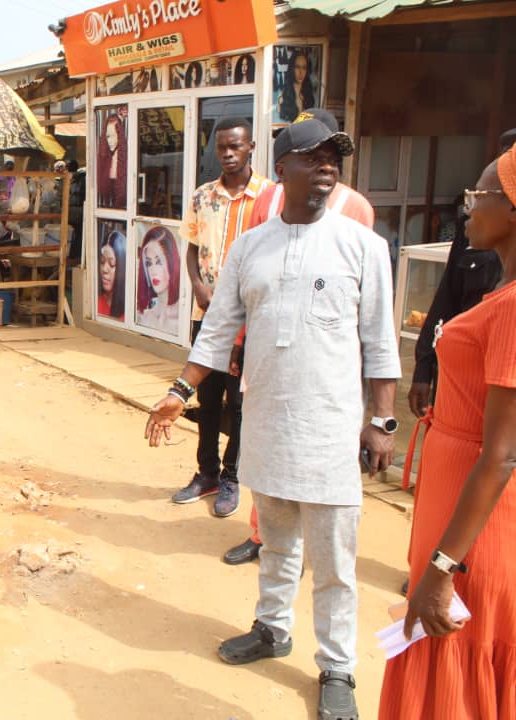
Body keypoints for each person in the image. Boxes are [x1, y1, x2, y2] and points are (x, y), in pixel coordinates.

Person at [145, 118, 401, 720]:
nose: (328, 168)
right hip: (267, 421)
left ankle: (337, 667)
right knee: (277, 543)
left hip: (332, 429)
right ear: (282, 169)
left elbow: (381, 343)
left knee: (335, 561)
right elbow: (217, 329)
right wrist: (181, 390)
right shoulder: (249, 246)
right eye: (313, 158)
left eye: (334, 157)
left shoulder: (362, 246)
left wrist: (382, 421)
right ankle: (272, 629)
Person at [377, 145, 516, 720]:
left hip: (475, 523)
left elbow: (503, 455)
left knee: (453, 643)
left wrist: (442, 568)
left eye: (479, 195)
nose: (468, 209)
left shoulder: (513, 309)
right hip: (455, 500)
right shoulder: (499, 291)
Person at [223, 107, 376, 566]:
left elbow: (359, 297)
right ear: (287, 164)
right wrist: (240, 344)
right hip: (270, 351)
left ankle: (309, 547)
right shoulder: (267, 201)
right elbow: (251, 283)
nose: (321, 162)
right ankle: (262, 535)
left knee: (320, 454)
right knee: (266, 442)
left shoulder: (356, 212)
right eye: (310, 153)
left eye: (327, 151)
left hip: (325, 361)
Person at [173, 117, 272, 518]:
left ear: (250, 147)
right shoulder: (202, 197)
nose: (229, 154)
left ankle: (232, 477)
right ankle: (206, 473)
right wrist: (197, 285)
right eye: (222, 148)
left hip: (252, 321)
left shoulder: (270, 198)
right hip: (208, 315)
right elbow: (192, 248)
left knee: (242, 401)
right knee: (208, 398)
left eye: (236, 147)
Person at [407, 130, 513, 417]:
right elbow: (446, 299)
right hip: (457, 383)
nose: (472, 206)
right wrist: (424, 366)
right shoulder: (473, 231)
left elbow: (499, 455)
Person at [136, 225, 180, 333]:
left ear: (171, 262)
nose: (153, 271)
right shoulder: (146, 316)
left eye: (159, 262)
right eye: (149, 263)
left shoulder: (180, 319)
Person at [96, 112, 127, 209]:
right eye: (108, 136)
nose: (110, 141)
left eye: (114, 135)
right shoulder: (105, 158)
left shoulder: (125, 157)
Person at [97, 228, 126, 320]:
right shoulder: (95, 302)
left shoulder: (129, 310)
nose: (104, 269)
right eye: (102, 262)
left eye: (112, 264)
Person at [279, 50, 315, 122]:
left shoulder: (308, 96)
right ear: (292, 68)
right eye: (297, 67)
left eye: (304, 68)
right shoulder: (283, 96)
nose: (301, 72)